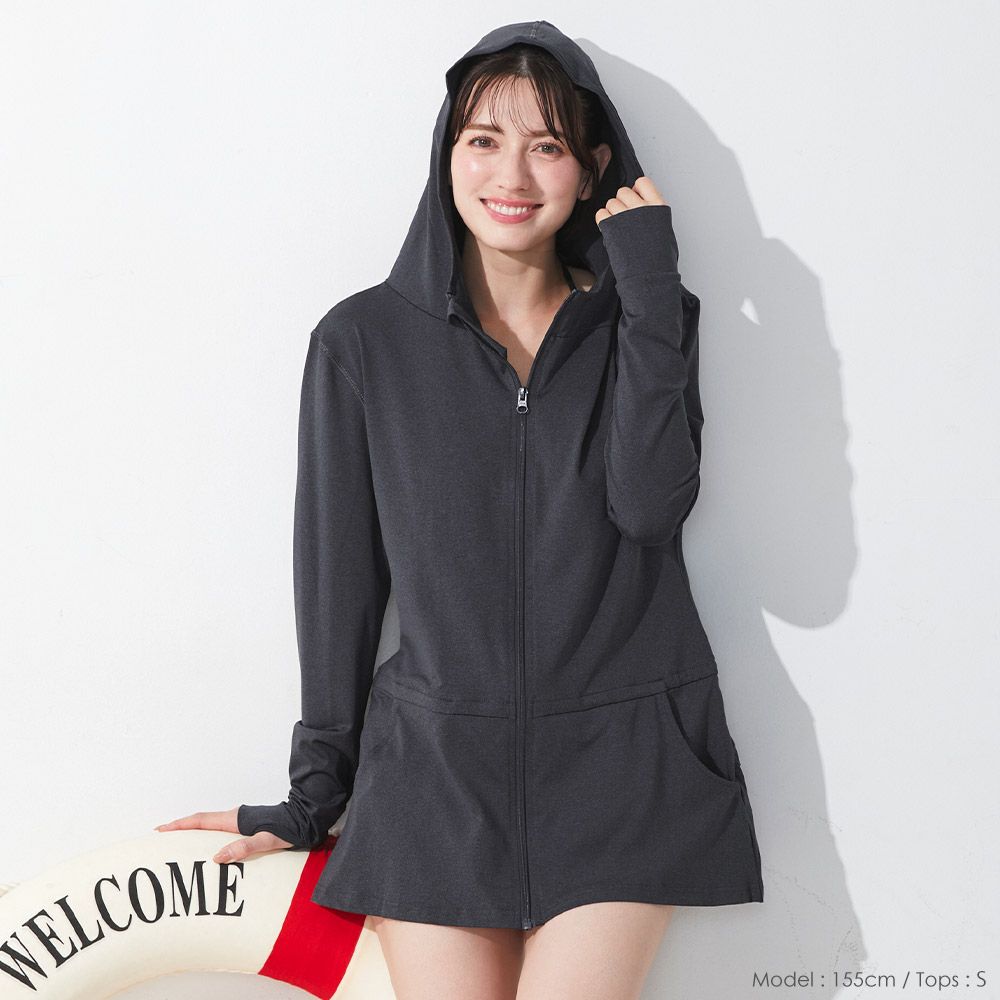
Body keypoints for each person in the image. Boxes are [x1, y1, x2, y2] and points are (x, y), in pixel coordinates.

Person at [157, 19, 763, 1000]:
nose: (510, 174)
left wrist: (650, 289)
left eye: (547, 145)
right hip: (433, 775)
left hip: (623, 766)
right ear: (447, 154)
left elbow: (651, 506)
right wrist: (315, 793)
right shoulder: (363, 341)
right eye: (483, 139)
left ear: (592, 168)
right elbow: (339, 582)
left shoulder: (642, 324)